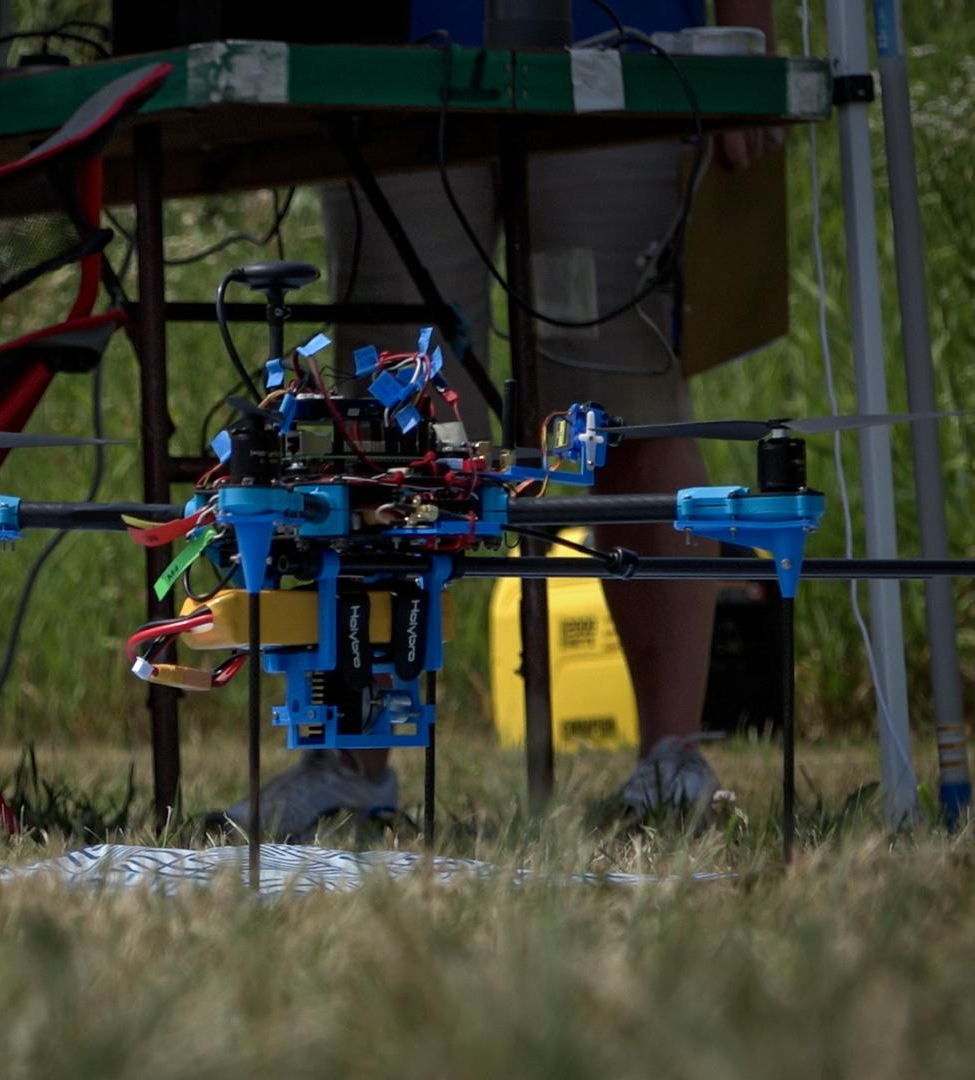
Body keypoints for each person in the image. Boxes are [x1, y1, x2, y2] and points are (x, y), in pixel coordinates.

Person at [218, 0, 781, 839]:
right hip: (399, 36)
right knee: (392, 432)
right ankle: (354, 766)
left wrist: (745, 40)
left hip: (622, 29)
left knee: (630, 405)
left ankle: (673, 761)